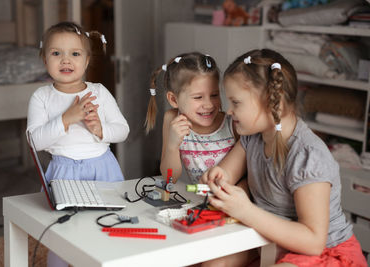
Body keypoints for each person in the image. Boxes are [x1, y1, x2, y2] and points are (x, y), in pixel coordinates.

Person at [201, 49, 367, 266]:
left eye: (236, 103)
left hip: (324, 251)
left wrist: (246, 210)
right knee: (214, 262)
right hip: (270, 239)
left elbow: (313, 241)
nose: (229, 111)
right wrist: (219, 177)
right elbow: (228, 173)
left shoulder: (308, 156)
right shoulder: (252, 138)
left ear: (273, 104)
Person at [27, 21, 129, 267]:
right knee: (64, 233)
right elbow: (34, 140)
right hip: (64, 171)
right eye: (56, 53)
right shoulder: (42, 96)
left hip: (103, 168)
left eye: (74, 53)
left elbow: (123, 130)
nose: (65, 60)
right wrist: (66, 118)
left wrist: (100, 129)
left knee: (108, 225)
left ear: (86, 61)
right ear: (44, 60)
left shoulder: (99, 92)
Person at [145, 52, 238, 184]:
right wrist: (172, 145)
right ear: (173, 99)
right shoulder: (172, 119)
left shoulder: (232, 123)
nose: (209, 104)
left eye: (214, 95)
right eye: (198, 97)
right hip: (201, 200)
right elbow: (170, 178)